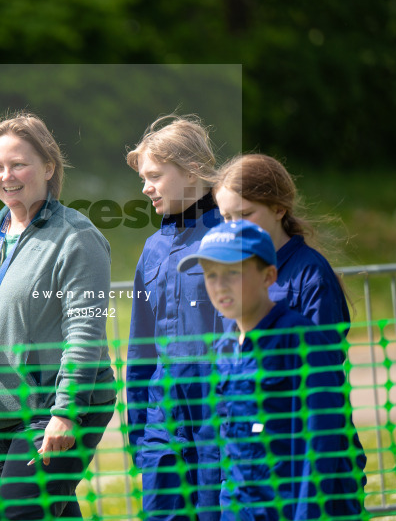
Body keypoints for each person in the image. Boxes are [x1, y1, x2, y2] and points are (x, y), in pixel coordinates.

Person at [0, 112, 116, 520]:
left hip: (52, 413)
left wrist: (65, 413)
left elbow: (86, 330)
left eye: (18, 164)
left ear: (48, 167)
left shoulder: (77, 238)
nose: (5, 175)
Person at [178, 220, 366, 520]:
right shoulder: (225, 347)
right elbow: (225, 443)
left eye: (233, 273)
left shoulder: (300, 340)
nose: (220, 285)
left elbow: (323, 440)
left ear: (269, 276)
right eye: (210, 275)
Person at [125, 115, 228, 521]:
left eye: (154, 176)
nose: (145, 188)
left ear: (193, 172)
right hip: (162, 423)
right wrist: (141, 430)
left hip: (218, 420)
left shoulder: (231, 238)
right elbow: (140, 346)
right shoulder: (151, 248)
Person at [212, 154, 350, 346]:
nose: (235, 227)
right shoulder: (226, 272)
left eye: (245, 214)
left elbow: (322, 362)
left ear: (278, 209)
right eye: (227, 217)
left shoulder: (311, 274)